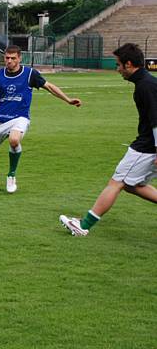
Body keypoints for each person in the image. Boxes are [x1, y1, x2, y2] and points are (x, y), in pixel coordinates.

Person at [60, 43, 157, 236]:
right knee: (132, 185)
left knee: (117, 183)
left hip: (145, 147)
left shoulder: (146, 86)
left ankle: (83, 225)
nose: (117, 69)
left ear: (128, 64)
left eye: (118, 64)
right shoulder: (145, 83)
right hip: (147, 144)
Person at [0, 45, 81, 193]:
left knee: (14, 140)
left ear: (20, 58)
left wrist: (68, 100)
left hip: (20, 117)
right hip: (0, 119)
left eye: (13, 58)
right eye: (7, 58)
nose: (9, 61)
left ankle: (11, 176)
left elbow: (49, 86)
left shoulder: (30, 74)